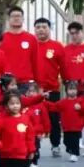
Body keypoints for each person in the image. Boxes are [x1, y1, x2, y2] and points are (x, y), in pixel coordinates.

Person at [33, 18, 66, 157]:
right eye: (38, 27)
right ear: (35, 30)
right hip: (33, 90)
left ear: (49, 28)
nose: (41, 29)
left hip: (52, 90)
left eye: (44, 27)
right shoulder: (31, 45)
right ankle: (33, 148)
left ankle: (55, 145)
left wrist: (67, 82)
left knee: (54, 119)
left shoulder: (57, 46)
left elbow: (64, 67)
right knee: (33, 118)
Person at [0, 6, 38, 90]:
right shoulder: (1, 38)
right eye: (13, 16)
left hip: (26, 83)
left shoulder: (31, 38)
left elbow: (35, 62)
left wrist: (37, 82)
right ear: (8, 19)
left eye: (18, 16)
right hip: (6, 82)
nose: (16, 18)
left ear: (23, 19)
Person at [46, 82, 84, 162]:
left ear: (77, 90)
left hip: (76, 126)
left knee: (75, 141)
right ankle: (70, 150)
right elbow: (54, 106)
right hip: (67, 127)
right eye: (70, 89)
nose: (72, 91)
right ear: (67, 91)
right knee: (66, 141)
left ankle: (75, 154)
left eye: (74, 89)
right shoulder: (63, 102)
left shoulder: (80, 101)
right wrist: (44, 101)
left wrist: (81, 108)